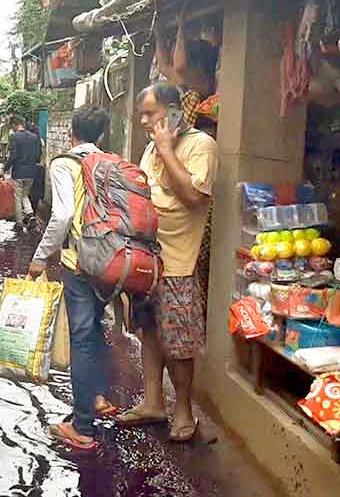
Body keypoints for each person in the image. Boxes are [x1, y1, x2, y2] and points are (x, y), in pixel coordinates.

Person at [116, 82, 218, 443]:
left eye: (150, 113)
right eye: (142, 114)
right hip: (147, 260)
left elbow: (192, 196)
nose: (144, 121)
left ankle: (184, 411)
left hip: (178, 263)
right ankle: (153, 403)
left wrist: (165, 148)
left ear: (173, 111)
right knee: (149, 331)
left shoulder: (201, 146)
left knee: (179, 343)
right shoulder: (149, 149)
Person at [28, 105, 116, 451]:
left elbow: (62, 215)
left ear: (71, 133)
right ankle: (96, 397)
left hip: (79, 262)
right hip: (109, 262)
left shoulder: (64, 163)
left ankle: (81, 427)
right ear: (100, 136)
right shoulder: (109, 161)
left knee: (80, 338)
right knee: (95, 329)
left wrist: (39, 259)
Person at [3, 116, 41, 231]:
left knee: (18, 198)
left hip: (19, 172)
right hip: (32, 172)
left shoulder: (15, 137)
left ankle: (19, 224)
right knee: (25, 195)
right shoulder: (34, 137)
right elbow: (38, 155)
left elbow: (13, 156)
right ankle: (30, 214)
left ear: (15, 124)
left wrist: (4, 169)